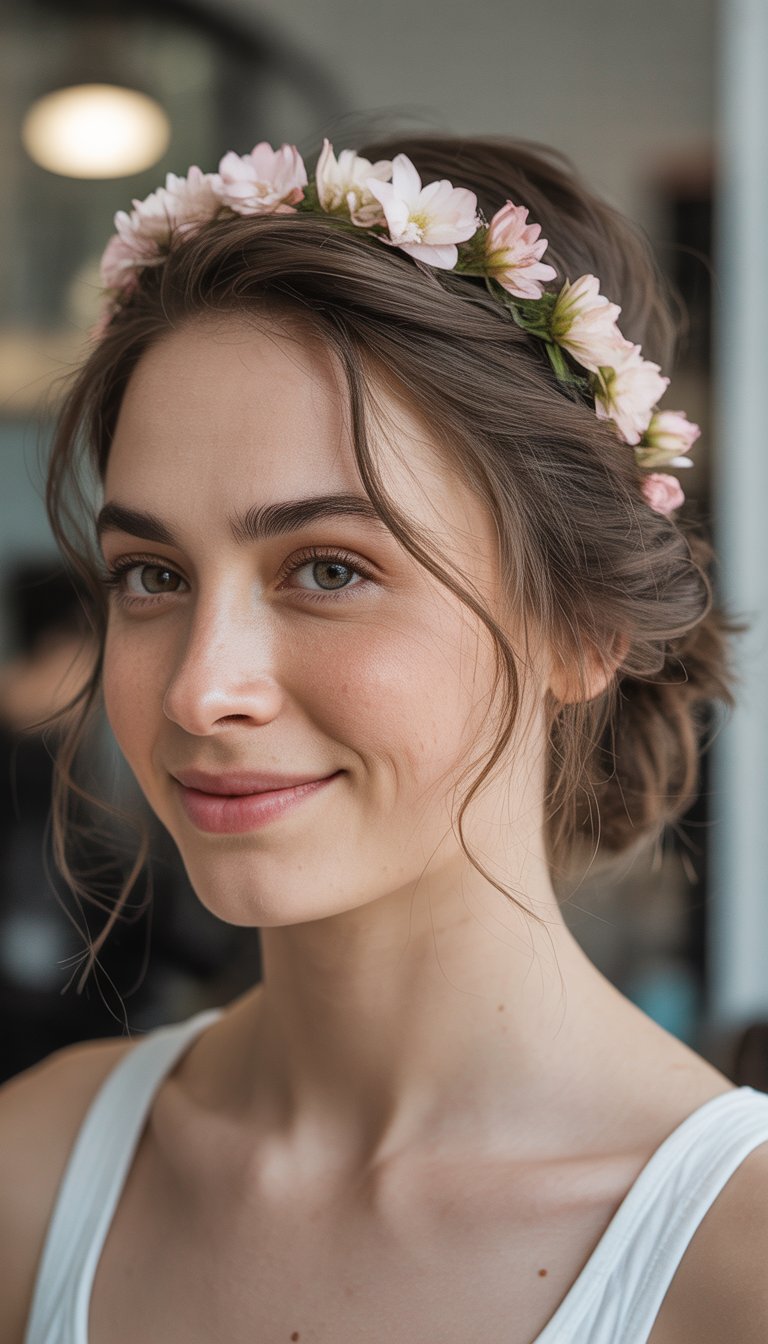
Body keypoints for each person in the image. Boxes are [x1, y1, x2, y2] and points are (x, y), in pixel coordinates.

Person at [3, 131, 768, 1343]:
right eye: (152, 574)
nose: (202, 692)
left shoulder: (737, 1266)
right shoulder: (33, 1183)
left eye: (327, 568)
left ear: (584, 628)